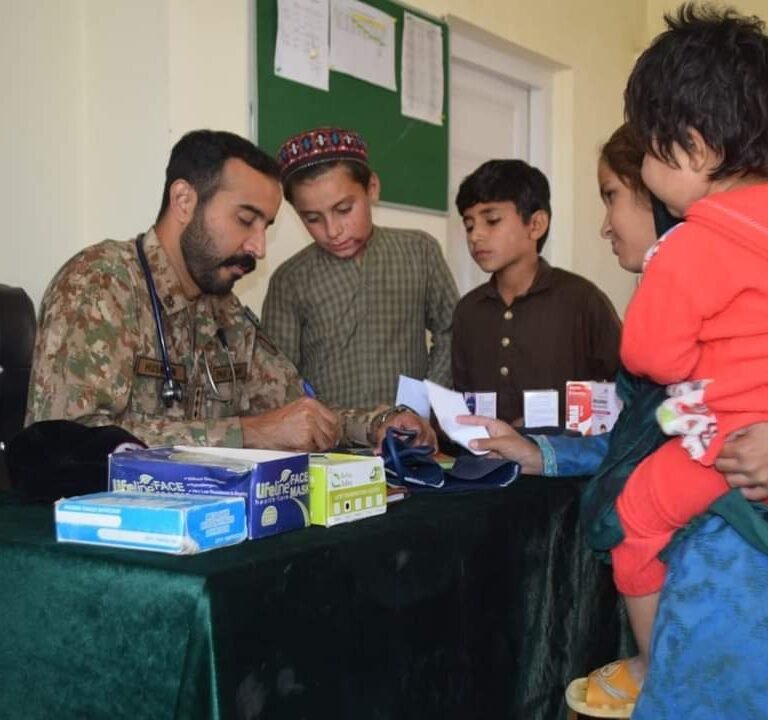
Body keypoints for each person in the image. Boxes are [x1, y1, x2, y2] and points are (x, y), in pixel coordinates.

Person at [26, 129, 435, 452]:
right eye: (245, 220)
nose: (258, 247)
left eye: (266, 228)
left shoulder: (224, 312)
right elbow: (66, 443)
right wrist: (248, 433)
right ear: (184, 200)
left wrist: (380, 424)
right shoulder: (101, 284)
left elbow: (297, 414)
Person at [261, 127, 459, 408]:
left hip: (409, 437)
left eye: (344, 210)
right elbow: (278, 375)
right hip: (329, 443)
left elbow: (451, 329)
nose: (333, 230)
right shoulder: (290, 280)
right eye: (313, 218)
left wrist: (423, 405)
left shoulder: (420, 251)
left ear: (372, 188)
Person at [452, 159, 621, 426]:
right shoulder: (468, 311)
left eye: (492, 220)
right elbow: (459, 401)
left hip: (569, 464)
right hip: (484, 464)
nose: (476, 236)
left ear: (536, 225)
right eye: (469, 225)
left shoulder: (581, 300)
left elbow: (625, 390)